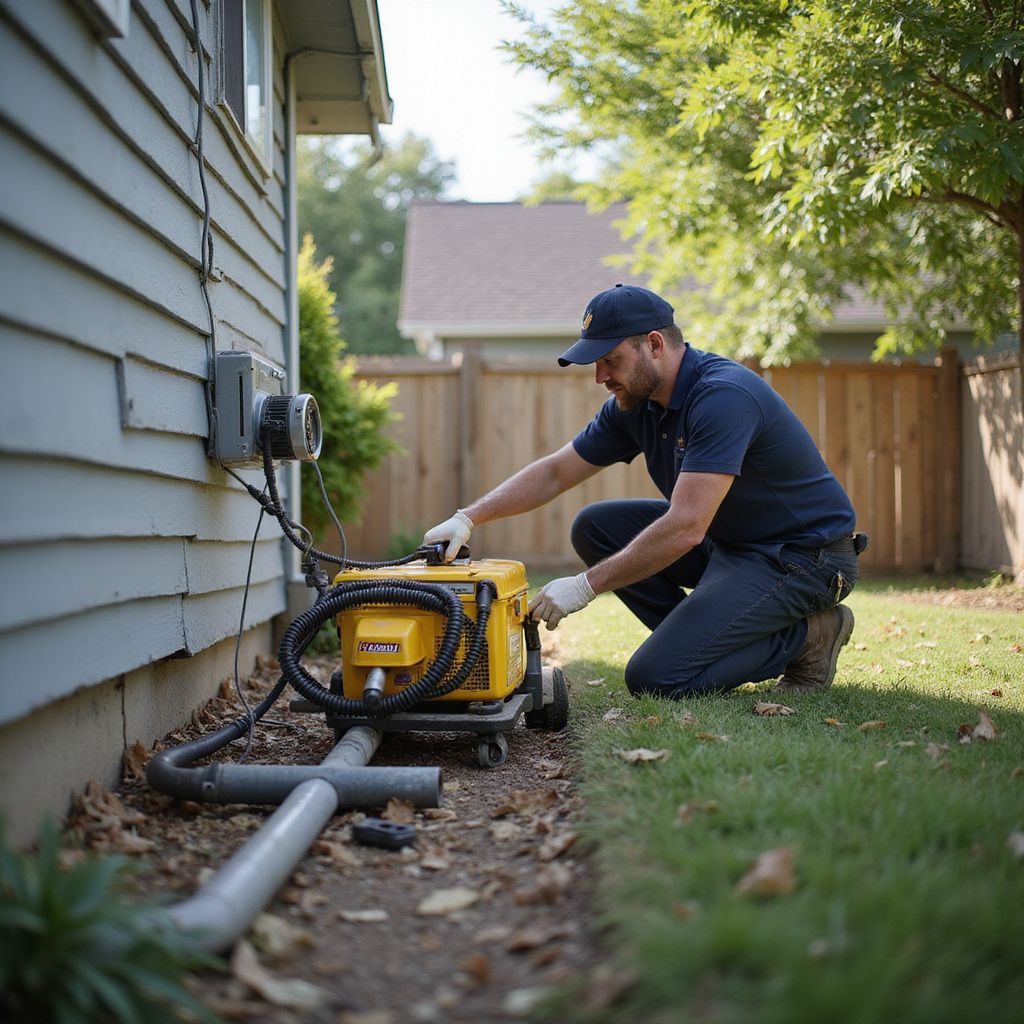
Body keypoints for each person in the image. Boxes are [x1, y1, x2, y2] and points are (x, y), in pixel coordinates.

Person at [423, 283, 864, 698]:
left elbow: (687, 526)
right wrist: (468, 517)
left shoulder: (722, 396)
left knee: (656, 678)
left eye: (609, 359)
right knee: (595, 527)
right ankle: (694, 645)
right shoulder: (635, 405)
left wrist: (585, 585)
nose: (599, 376)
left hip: (802, 557)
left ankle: (812, 637)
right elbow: (556, 472)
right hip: (731, 543)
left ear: (654, 345)